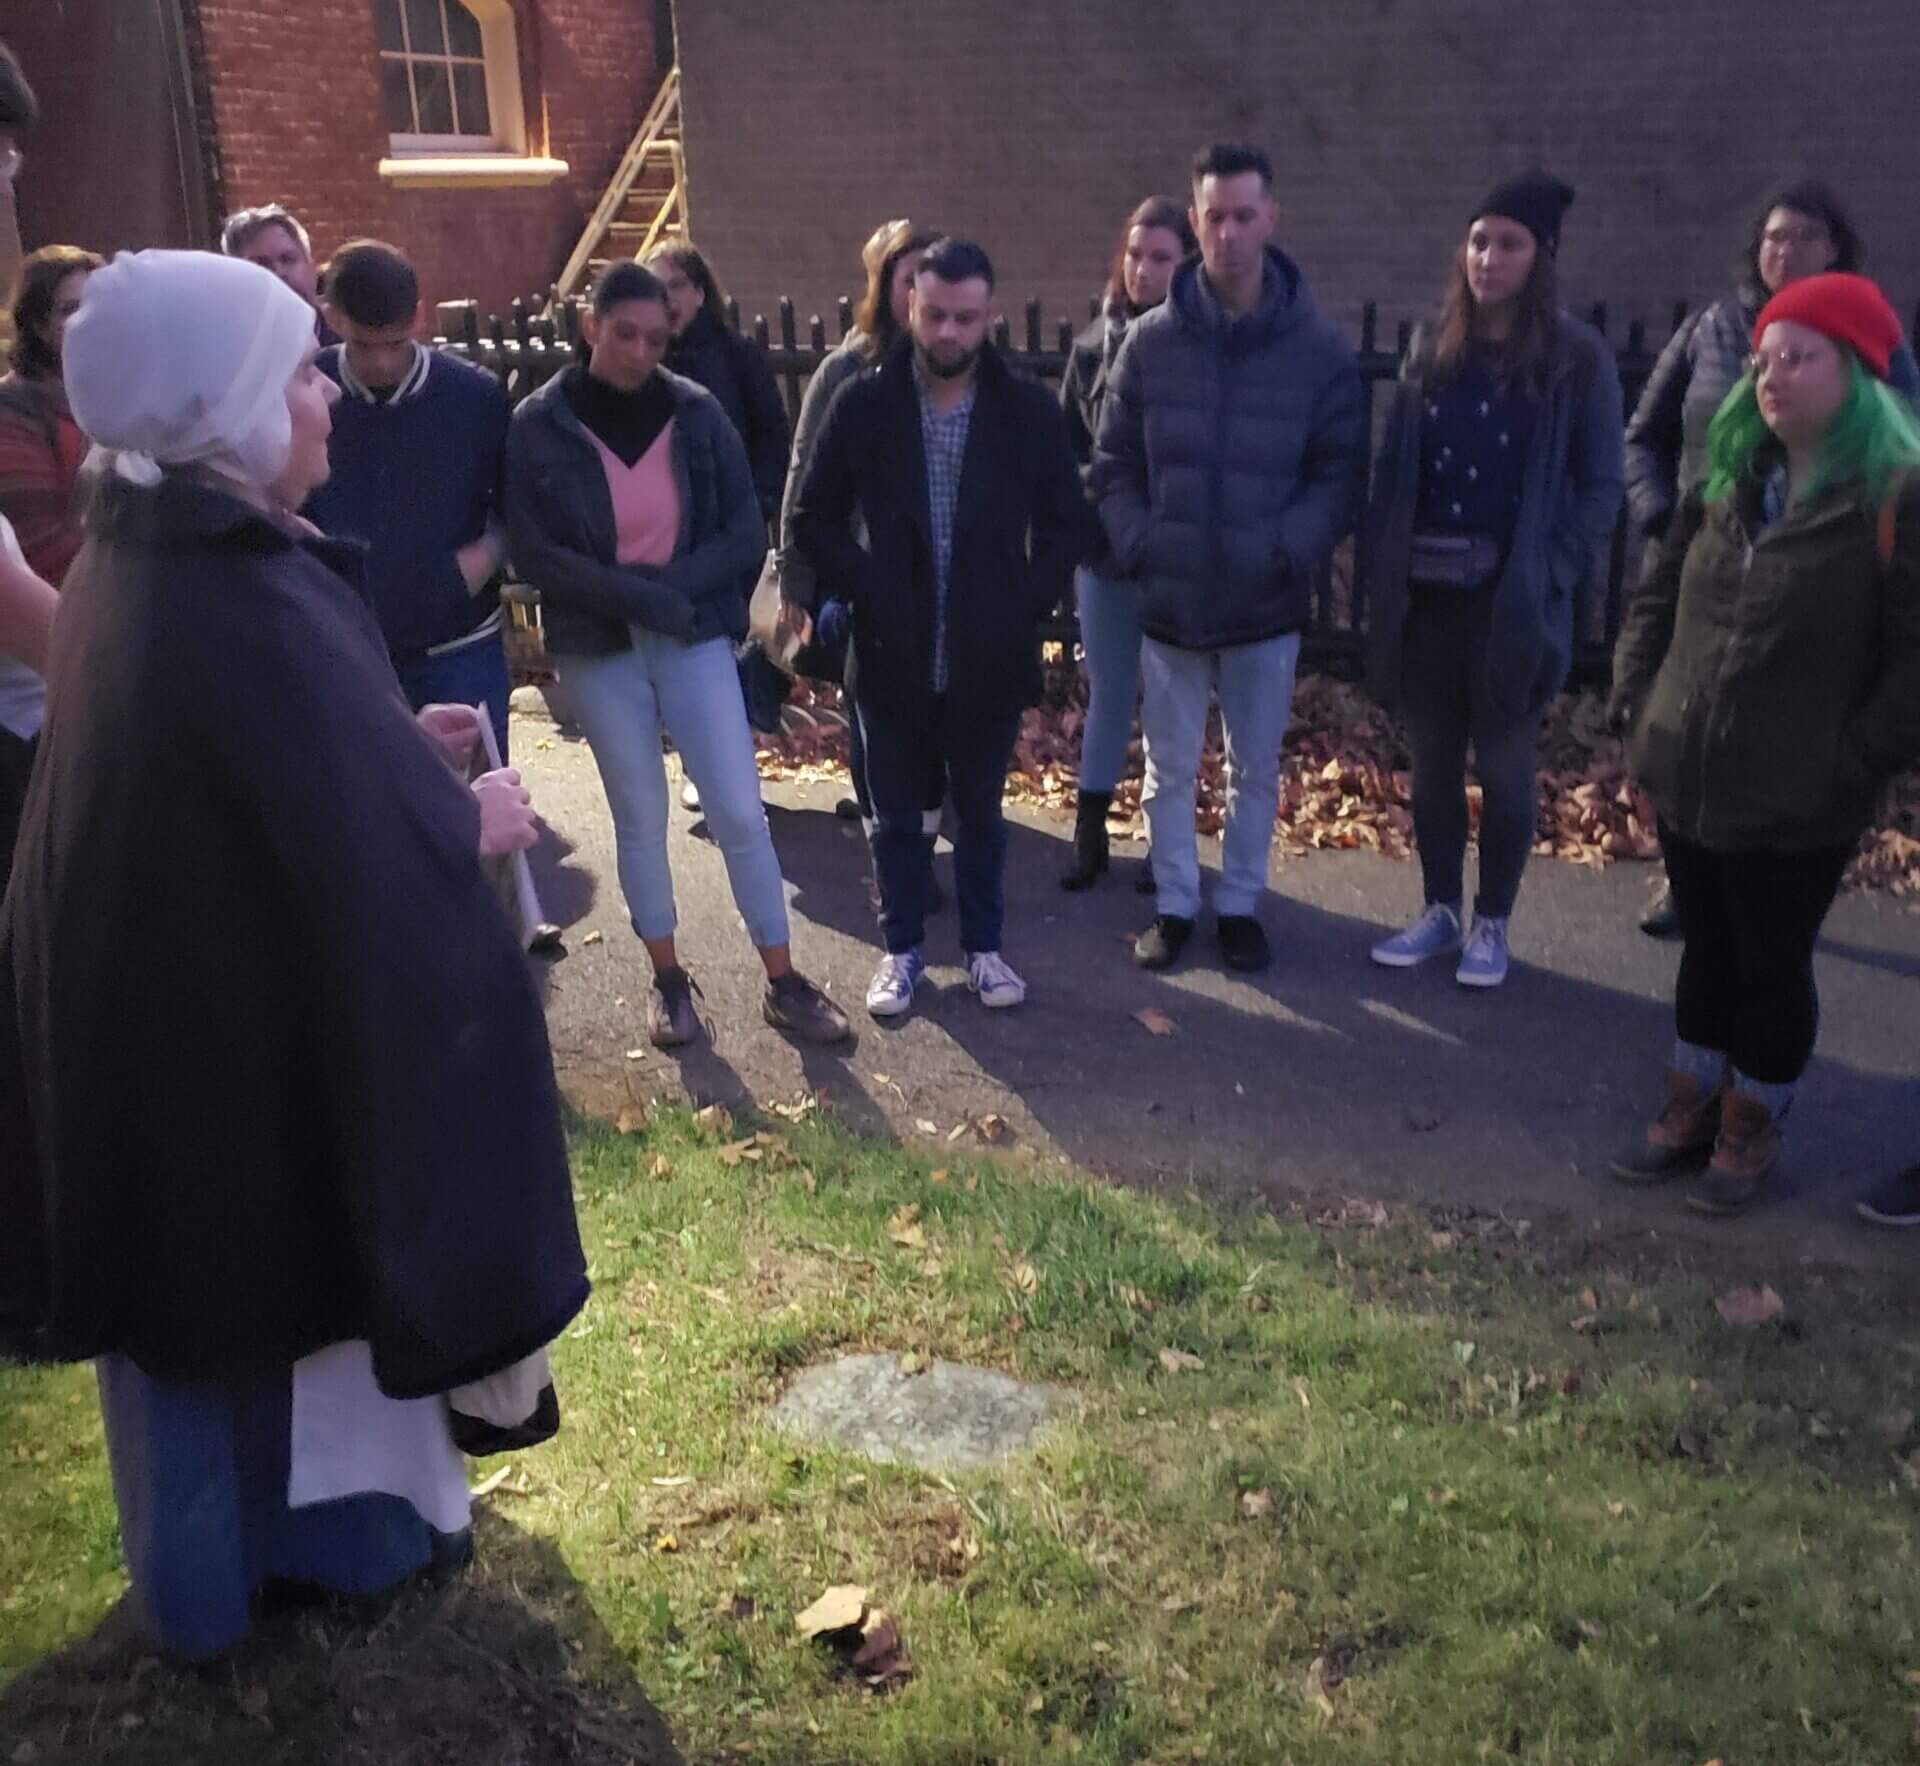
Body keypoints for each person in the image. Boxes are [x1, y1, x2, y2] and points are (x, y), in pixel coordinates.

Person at [0, 249, 587, 1661]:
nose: (326, 397)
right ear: (226, 414)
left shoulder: (163, 543)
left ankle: (311, 1545)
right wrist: (469, 829)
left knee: (231, 1310)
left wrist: (404, 750)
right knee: (224, 1319)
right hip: (212, 1052)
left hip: (193, 1024)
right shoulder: (219, 585)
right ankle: (239, 1582)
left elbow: (290, 777)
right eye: (298, 372)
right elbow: (339, 843)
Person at [1607, 272, 1920, 1216]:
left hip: (1801, 795)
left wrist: (1854, 759)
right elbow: (1658, 601)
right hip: (1691, 771)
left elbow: (1913, 658)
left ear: (1858, 375)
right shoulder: (1730, 482)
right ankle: (1691, 1109)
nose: (1773, 376)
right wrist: (1635, 704)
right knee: (1705, 949)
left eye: (1801, 358)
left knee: (1770, 959)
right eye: (1765, 359)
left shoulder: (1893, 501)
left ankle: (1752, 1122)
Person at [504, 262, 850, 1048]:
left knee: (737, 809)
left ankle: (784, 980)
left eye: (656, 338)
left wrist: (672, 593)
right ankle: (668, 980)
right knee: (639, 816)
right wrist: (636, 598)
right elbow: (535, 549)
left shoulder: (696, 413)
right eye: (624, 333)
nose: (639, 351)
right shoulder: (539, 423)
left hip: (689, 633)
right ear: (591, 326)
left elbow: (741, 529)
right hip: (599, 643)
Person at [789, 238, 1091, 1019]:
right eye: (934, 315)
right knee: (895, 816)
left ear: (990, 316)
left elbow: (1067, 523)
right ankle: (902, 951)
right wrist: (863, 584)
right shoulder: (865, 402)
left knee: (982, 812)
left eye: (964, 317)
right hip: (890, 648)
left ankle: (986, 950)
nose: (948, 332)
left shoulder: (1025, 411)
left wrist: (1026, 598)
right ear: (909, 308)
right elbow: (811, 515)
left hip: (987, 649)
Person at [1091, 145, 1367, 974]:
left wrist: (1292, 549)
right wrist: (1144, 544)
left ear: (1271, 220)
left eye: (1245, 215)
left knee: (1255, 771)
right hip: (1171, 600)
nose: (1229, 233)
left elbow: (1339, 472)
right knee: (1168, 771)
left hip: (1263, 603)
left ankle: (1240, 903)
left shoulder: (1317, 350)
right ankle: (1176, 905)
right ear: (1195, 218)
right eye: (1214, 215)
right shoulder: (1148, 344)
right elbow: (1112, 468)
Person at [1623, 181, 1920, 939]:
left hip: (1814, 589)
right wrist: (1662, 516)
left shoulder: (1876, 363)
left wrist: (1854, 759)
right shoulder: (1710, 329)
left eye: (1804, 237)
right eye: (1773, 237)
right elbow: (1645, 434)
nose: (1785, 251)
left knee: (1767, 941)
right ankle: (1689, 889)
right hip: (1711, 552)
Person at [1362, 174, 1625, 990]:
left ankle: (1493, 923)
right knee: (1433, 767)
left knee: (1507, 773)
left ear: (1540, 257)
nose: (1488, 257)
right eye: (1478, 241)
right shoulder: (1431, 345)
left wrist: (1554, 570)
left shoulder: (1576, 359)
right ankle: (1441, 909)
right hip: (1429, 599)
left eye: (1507, 244)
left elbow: (1600, 484)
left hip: (1511, 603)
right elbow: (1396, 469)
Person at [304, 240, 513, 757]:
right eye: (365, 344)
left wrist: (472, 568)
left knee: (479, 811)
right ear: (332, 317)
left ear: (419, 317)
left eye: (395, 343)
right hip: (348, 646)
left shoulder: (476, 397)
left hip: (460, 645)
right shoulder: (308, 391)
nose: (380, 362)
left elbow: (515, 505)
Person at [778, 218, 939, 829]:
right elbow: (804, 472)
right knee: (872, 708)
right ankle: (886, 837)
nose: (922, 294)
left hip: (939, 579)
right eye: (909, 279)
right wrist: (797, 575)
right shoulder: (846, 371)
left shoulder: (959, 370)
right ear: (886, 287)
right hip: (862, 575)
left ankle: (912, 830)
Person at [1059, 195, 1195, 893]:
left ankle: (1167, 845)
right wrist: (1096, 510)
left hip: (1173, 553)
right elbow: (1068, 449)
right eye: (1135, 255)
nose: (1143, 270)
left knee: (1172, 699)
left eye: (1161, 258)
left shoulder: (1197, 346)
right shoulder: (1092, 346)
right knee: (1110, 693)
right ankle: (1090, 831)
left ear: (1186, 264)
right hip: (1106, 553)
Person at [645, 241, 789, 527]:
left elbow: (771, 435)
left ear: (699, 293)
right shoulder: (642, 358)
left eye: (676, 286)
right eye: (656, 289)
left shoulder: (737, 354)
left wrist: (758, 506)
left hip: (729, 520)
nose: (667, 299)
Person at [0, 246, 98, 585]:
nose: (89, 320)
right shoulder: (13, 408)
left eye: (97, 306)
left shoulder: (120, 393)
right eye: (71, 309)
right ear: (39, 325)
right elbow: (41, 548)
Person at [221, 202, 339, 346]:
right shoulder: (228, 351)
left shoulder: (351, 343)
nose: (279, 272)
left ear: (312, 268)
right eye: (261, 264)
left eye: (288, 259)